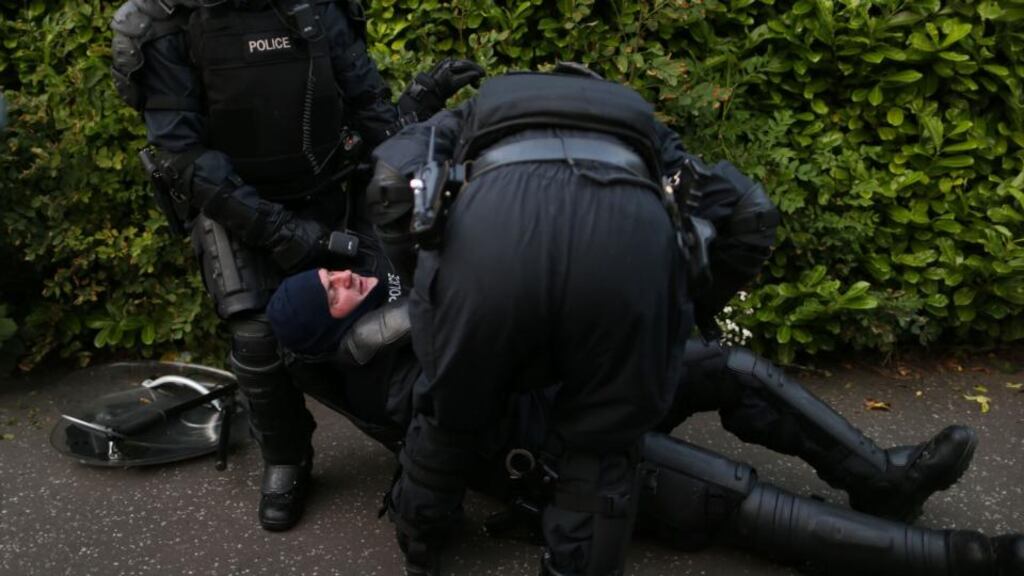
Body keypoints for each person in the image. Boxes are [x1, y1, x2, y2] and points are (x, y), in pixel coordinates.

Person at [364, 65, 983, 573]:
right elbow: (751, 213)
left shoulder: (472, 117)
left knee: (729, 369)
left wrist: (432, 281)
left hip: (488, 286)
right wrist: (681, 307)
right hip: (587, 327)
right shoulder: (640, 133)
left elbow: (391, 182)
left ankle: (885, 480)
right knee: (605, 456)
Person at [263, 264, 1024, 576]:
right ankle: (971, 557)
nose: (349, 276)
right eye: (334, 288)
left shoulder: (410, 310)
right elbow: (428, 508)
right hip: (567, 453)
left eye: (334, 272)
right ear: (341, 334)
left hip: (585, 393)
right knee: (735, 494)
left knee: (727, 368)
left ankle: (883, 479)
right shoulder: (404, 385)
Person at [108, 0, 483, 532]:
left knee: (408, 289)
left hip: (333, 181)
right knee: (257, 336)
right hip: (234, 203)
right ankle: (286, 458)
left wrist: (421, 99)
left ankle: (423, 435)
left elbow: (367, 106)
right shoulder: (160, 21)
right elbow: (183, 155)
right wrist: (283, 233)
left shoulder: (316, 4)